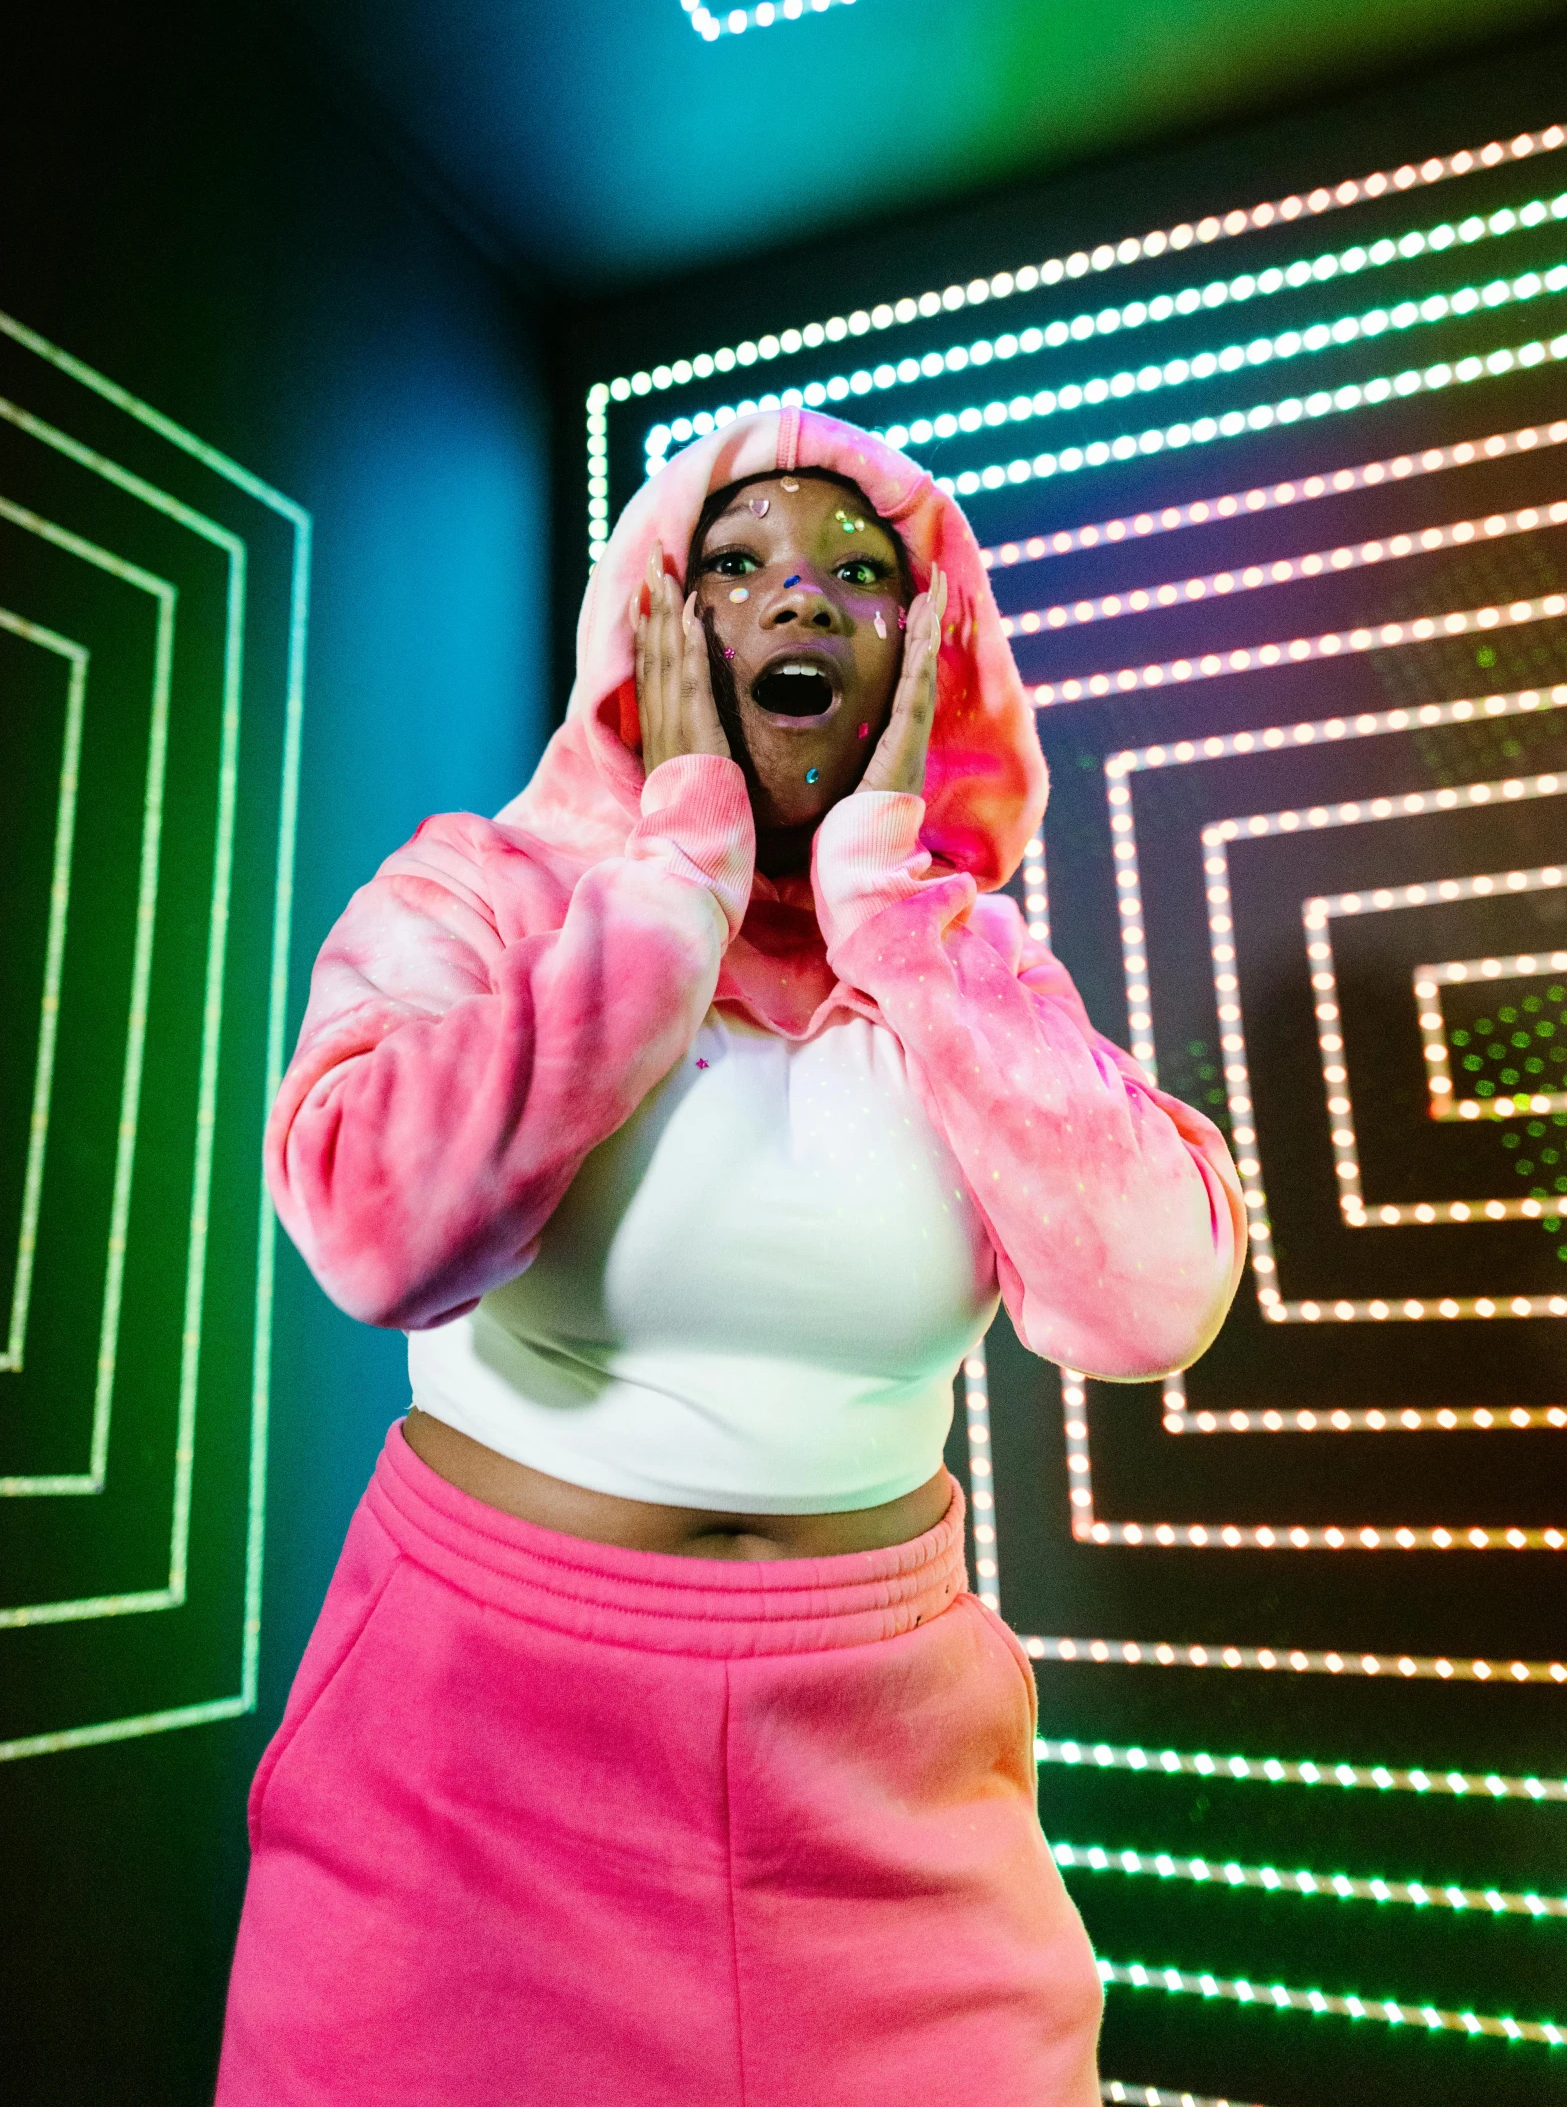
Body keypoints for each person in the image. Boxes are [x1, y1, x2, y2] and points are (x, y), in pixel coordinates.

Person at [217, 407, 1245, 2106]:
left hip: (885, 1793)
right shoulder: (478, 894)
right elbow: (369, 1226)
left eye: (859, 576)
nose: (802, 604)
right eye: (743, 564)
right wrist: (676, 862)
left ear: (926, 658)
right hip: (472, 1781)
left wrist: (895, 908)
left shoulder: (964, 964)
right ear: (656, 624)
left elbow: (1146, 1300)